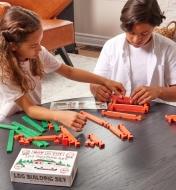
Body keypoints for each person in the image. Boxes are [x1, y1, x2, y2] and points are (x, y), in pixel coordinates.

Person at [0, 6, 125, 131]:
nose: (39, 48)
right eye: (33, 45)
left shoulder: (38, 53)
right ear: (13, 46)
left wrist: (105, 81)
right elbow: (29, 108)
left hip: (35, 113)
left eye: (40, 42)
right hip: (10, 121)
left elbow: (69, 71)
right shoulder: (5, 70)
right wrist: (59, 115)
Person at [90, 0, 176, 105]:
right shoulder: (111, 46)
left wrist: (159, 91)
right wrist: (96, 88)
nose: (136, 40)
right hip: (119, 109)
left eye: (144, 33)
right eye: (131, 33)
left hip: (155, 111)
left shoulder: (169, 48)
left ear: (154, 26)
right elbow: (95, 81)